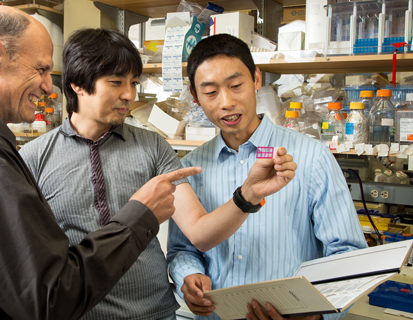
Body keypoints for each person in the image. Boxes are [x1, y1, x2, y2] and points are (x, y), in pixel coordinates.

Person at [0, 6, 202, 320]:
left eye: (133, 83)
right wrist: (138, 217)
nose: (47, 85)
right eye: (40, 69)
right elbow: (50, 298)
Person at [19, 28, 297, 320]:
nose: (129, 95)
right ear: (77, 83)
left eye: (134, 82)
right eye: (116, 82)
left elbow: (200, 233)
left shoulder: (152, 147)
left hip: (154, 313)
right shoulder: (34, 159)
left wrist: (248, 195)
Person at [167, 34, 367, 320]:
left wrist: (317, 314)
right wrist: (190, 275)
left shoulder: (312, 158)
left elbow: (347, 254)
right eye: (210, 92)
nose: (226, 102)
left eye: (236, 86)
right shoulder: (192, 168)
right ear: (195, 96)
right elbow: (181, 249)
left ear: (256, 79)